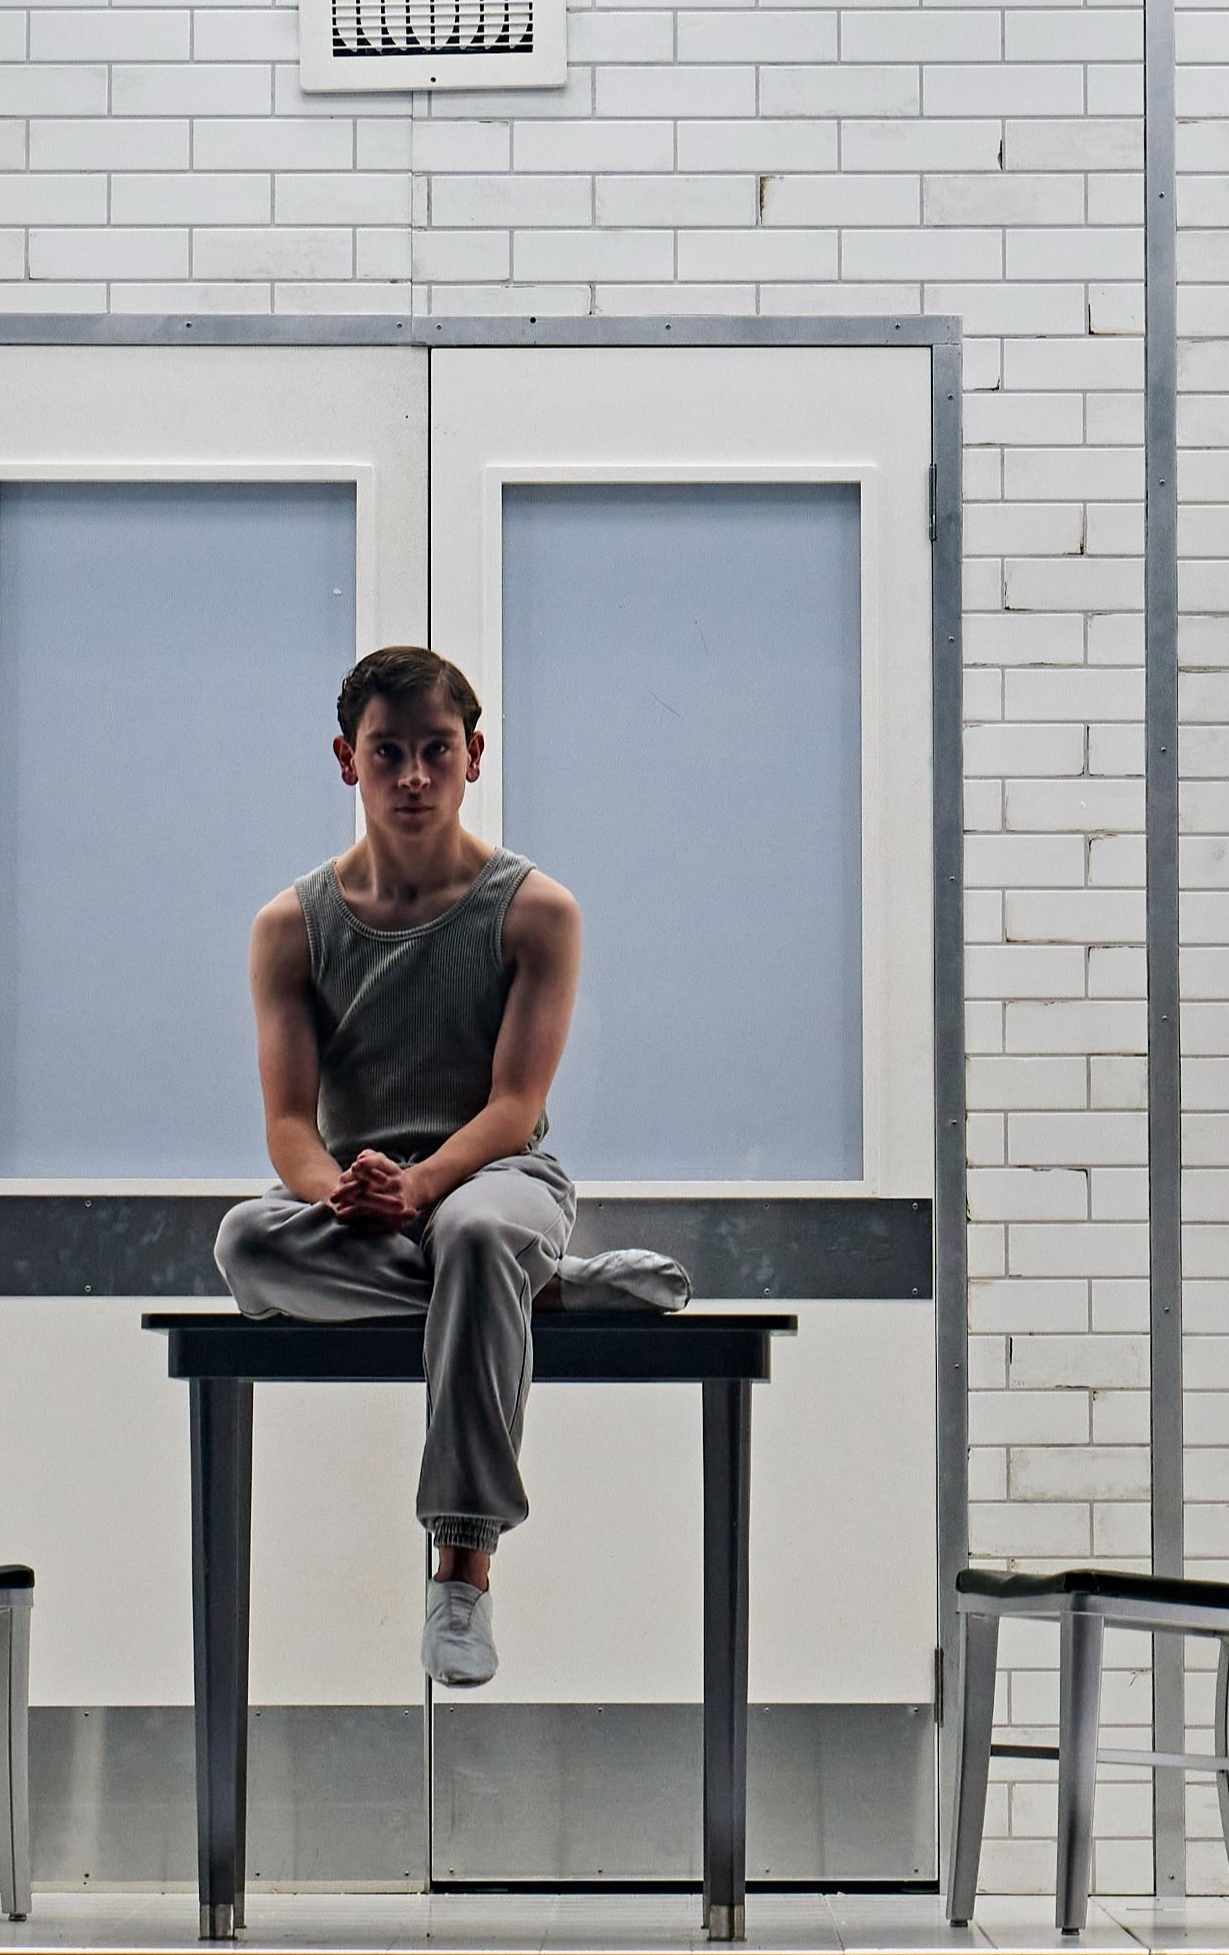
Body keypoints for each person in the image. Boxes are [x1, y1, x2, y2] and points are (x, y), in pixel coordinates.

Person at [213, 645, 691, 1689]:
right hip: (360, 1195)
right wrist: (334, 1190)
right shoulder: (290, 926)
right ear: (348, 761)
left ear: (475, 756)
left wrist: (422, 1189)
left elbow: (514, 1108)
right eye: (389, 754)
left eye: (437, 751)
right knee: (245, 1242)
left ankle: (462, 1566)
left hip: (493, 1179)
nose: (415, 776)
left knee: (478, 1234)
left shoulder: (535, 912)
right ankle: (542, 1294)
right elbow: (291, 1125)